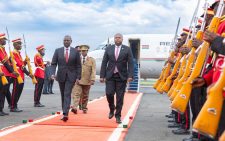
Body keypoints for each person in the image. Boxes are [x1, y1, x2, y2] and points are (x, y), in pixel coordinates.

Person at [100, 33, 134, 123]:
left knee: (120, 98)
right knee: (109, 93)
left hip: (121, 76)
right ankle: (112, 108)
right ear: (114, 39)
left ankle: (118, 115)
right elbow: (104, 62)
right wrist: (102, 76)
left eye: (119, 38)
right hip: (110, 76)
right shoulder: (109, 49)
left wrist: (130, 75)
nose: (117, 39)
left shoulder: (127, 49)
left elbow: (130, 63)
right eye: (116, 38)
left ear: (122, 39)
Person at [51, 35, 81, 122]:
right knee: (63, 94)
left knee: (67, 93)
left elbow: (78, 65)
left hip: (71, 76)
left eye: (68, 40)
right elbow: (53, 63)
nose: (66, 41)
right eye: (65, 40)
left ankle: (65, 114)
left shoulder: (75, 52)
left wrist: (78, 77)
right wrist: (53, 73)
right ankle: (65, 111)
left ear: (71, 41)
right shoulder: (58, 51)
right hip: (61, 76)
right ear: (63, 41)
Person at [10, 38, 33, 112]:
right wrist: (29, 74)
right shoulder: (13, 53)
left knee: (19, 91)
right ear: (15, 45)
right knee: (15, 91)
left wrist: (25, 62)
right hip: (17, 74)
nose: (21, 45)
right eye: (19, 44)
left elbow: (22, 64)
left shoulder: (18, 53)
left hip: (21, 74)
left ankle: (15, 105)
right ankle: (13, 106)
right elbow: (20, 65)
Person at [71, 45, 96, 114]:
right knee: (76, 94)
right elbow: (73, 69)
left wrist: (93, 79)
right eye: (81, 51)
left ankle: (84, 108)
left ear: (87, 51)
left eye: (84, 51)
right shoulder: (77, 59)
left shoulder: (91, 60)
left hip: (87, 81)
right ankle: (75, 107)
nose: (83, 52)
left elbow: (93, 70)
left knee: (85, 95)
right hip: (78, 80)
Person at [0, 33, 19, 116]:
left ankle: (1, 109)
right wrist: (12, 71)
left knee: (3, 92)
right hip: (2, 72)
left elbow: (7, 61)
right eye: (4, 39)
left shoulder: (3, 49)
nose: (5, 41)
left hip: (5, 72)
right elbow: (4, 62)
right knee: (1, 92)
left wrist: (10, 58)